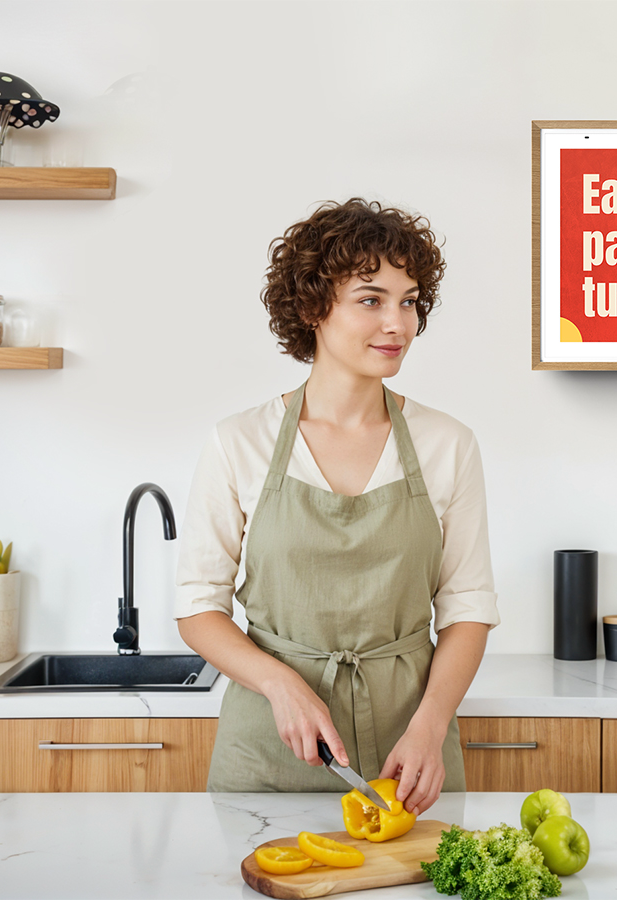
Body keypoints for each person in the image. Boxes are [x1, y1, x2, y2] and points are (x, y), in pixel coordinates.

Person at [175, 198, 497, 814]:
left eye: (409, 301)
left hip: (411, 753)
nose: (397, 323)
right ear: (312, 308)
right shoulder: (239, 441)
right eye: (371, 299)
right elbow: (196, 608)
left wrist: (430, 727)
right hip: (270, 750)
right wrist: (280, 683)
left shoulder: (447, 444)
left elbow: (467, 607)